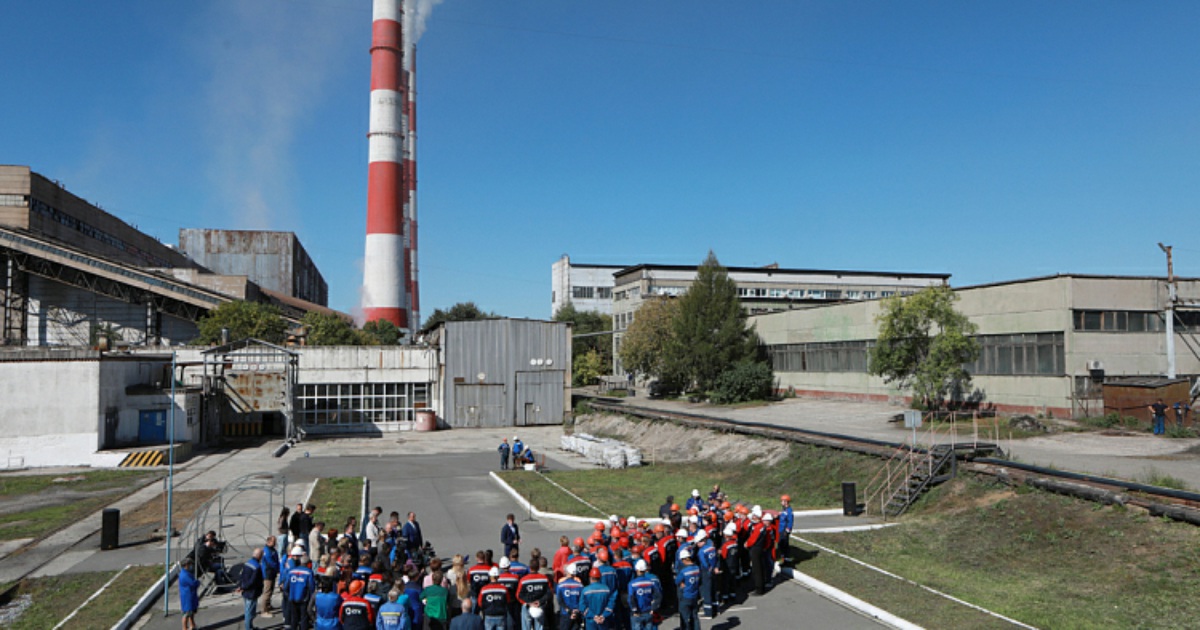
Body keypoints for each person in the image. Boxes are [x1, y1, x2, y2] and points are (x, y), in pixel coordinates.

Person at [285, 548, 316, 630]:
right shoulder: (309, 572)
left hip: (292, 598)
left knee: (294, 619)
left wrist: (288, 594)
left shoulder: (291, 571)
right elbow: (312, 586)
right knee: (304, 618)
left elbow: (286, 585)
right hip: (304, 599)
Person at [627, 559, 661, 630]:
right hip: (648, 612)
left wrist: (634, 610)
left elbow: (631, 598)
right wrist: (653, 608)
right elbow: (658, 596)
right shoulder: (651, 582)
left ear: (636, 570)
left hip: (638, 614)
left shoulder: (632, 584)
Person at [238, 548, 265, 630]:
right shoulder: (257, 567)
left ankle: (250, 626)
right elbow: (254, 581)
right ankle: (248, 628)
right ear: (259, 556)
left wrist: (241, 586)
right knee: (250, 612)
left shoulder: (247, 563)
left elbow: (241, 576)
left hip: (245, 591)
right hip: (252, 592)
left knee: (248, 610)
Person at [676, 550, 701, 630]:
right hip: (695, 595)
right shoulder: (697, 568)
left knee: (685, 618)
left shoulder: (684, 571)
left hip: (686, 596)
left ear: (684, 560)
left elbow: (677, 581)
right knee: (695, 616)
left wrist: (681, 583)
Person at [555, 564, 584, 630]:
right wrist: (576, 611)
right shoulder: (580, 586)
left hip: (565, 614)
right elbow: (582, 600)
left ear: (567, 572)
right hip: (577, 614)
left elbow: (560, 600)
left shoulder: (560, 585)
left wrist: (568, 610)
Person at [261, 535, 281, 617]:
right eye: (273, 541)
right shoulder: (266, 551)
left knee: (271, 590)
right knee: (267, 592)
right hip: (268, 573)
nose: (275, 543)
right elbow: (271, 562)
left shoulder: (272, 550)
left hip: (272, 573)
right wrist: (277, 568)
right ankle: (264, 610)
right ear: (269, 542)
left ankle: (268, 605)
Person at [178, 558, 199, 630]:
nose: (191, 566)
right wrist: (197, 582)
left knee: (191, 612)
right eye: (190, 564)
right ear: (186, 565)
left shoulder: (185, 573)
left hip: (190, 595)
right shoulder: (184, 575)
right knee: (187, 613)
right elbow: (193, 583)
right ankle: (184, 628)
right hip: (187, 597)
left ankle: (192, 625)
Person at [777, 495, 794, 566]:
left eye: (782, 501)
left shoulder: (789, 511)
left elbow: (790, 521)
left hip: (784, 530)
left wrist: (787, 530)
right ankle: (783, 558)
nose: (781, 502)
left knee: (783, 545)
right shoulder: (784, 510)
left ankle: (786, 559)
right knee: (781, 544)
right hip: (781, 529)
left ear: (786, 502)